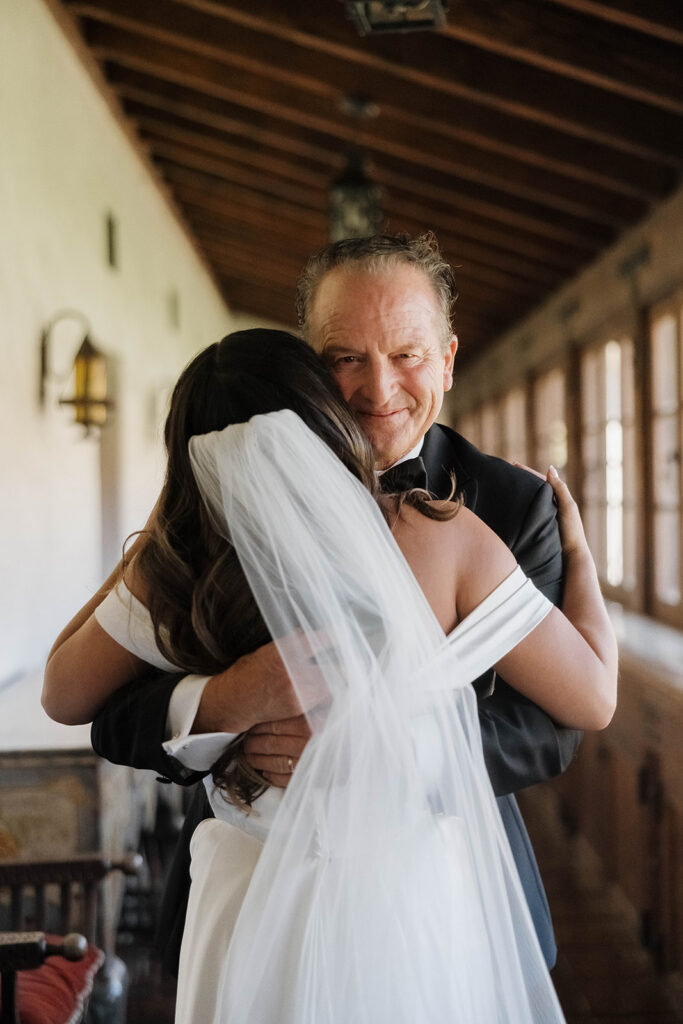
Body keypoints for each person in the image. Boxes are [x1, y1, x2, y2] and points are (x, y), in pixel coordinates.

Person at [43, 328, 616, 1024]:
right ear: (325, 415)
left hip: (248, 894)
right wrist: (580, 563)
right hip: (407, 892)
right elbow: (591, 695)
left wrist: (166, 520)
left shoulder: (178, 569)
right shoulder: (438, 533)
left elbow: (60, 691)